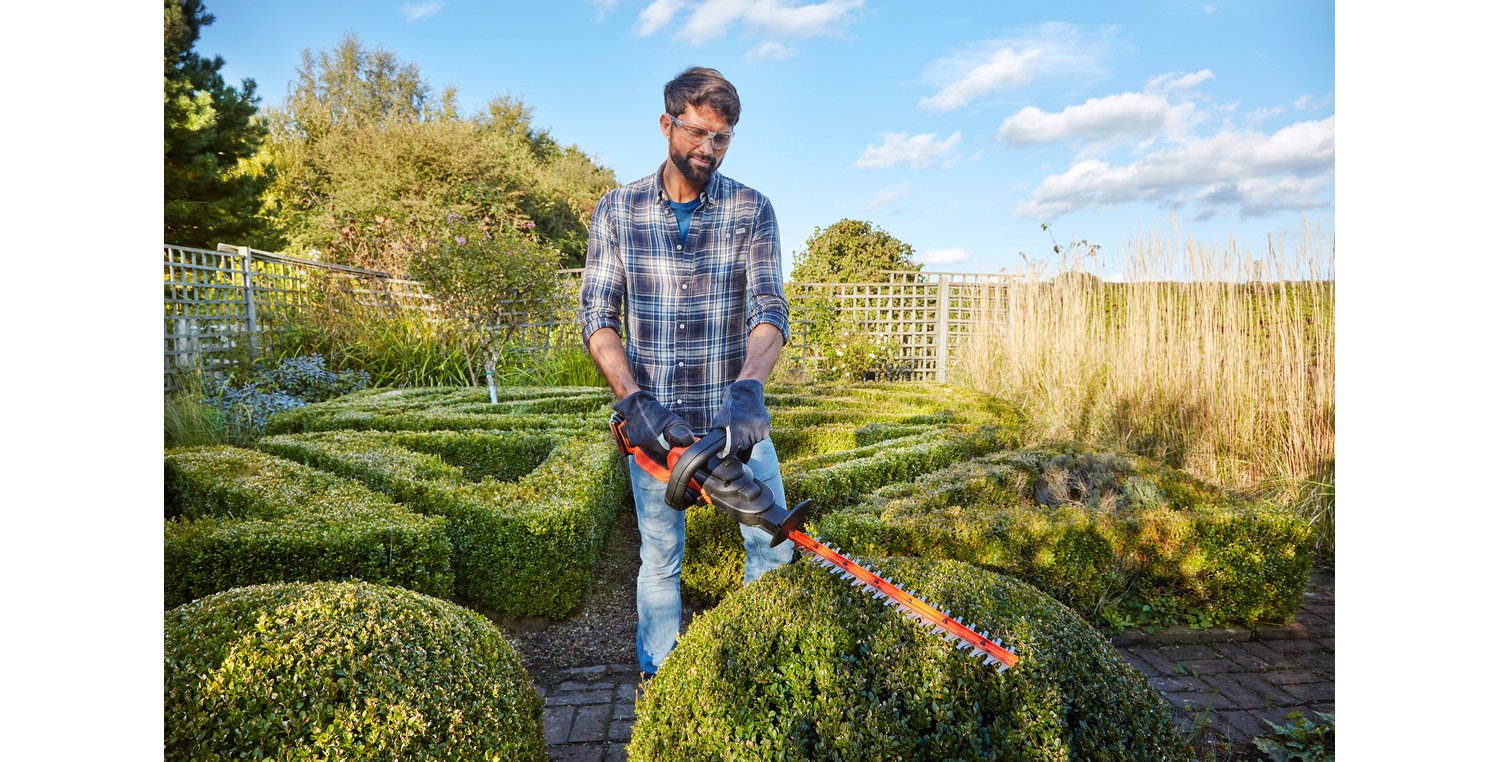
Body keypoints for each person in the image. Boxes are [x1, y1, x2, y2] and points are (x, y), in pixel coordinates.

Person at [579, 66, 793, 678]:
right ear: (667, 124)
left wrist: (749, 388)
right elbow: (597, 314)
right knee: (661, 559)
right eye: (697, 134)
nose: (708, 150)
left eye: (721, 138)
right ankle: (663, 679)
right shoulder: (616, 210)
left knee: (770, 546)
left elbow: (770, 309)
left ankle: (756, 673)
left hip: (734, 428)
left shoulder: (753, 209)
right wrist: (633, 400)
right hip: (656, 432)